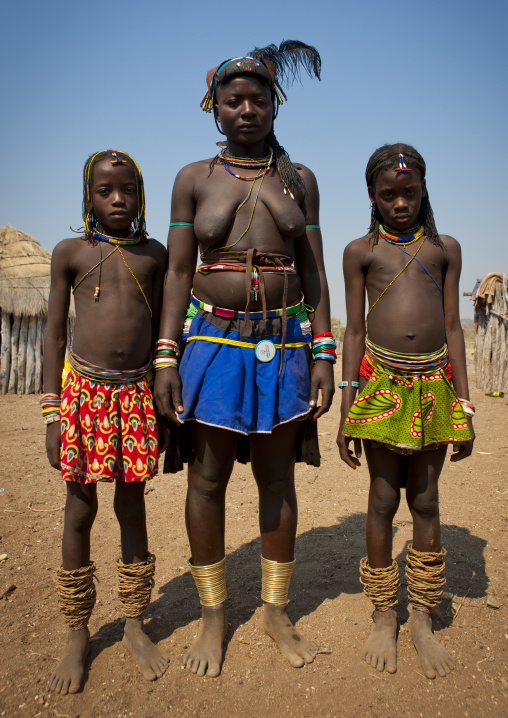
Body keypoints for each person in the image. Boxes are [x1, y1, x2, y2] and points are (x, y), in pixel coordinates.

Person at [154, 41, 335, 677]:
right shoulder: (193, 179)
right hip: (211, 343)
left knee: (276, 479)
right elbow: (178, 271)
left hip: (284, 344)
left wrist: (324, 351)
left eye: (259, 99)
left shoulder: (299, 180)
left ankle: (276, 609)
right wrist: (165, 357)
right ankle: (212, 616)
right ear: (215, 109)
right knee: (207, 479)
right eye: (234, 101)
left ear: (274, 106)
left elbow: (314, 274)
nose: (248, 109)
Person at [336, 143, 474, 679]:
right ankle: (381, 612)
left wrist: (463, 403)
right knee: (382, 496)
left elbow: (455, 328)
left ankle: (420, 615)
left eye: (409, 193)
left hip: (433, 384)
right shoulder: (360, 252)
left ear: (424, 192)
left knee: (425, 498)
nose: (400, 203)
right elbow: (353, 329)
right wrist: (347, 405)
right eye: (388, 195)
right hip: (381, 382)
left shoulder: (444, 249)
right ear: (372, 195)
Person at [42, 150, 169, 694]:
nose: (118, 200)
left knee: (131, 505)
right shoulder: (70, 253)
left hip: (136, 396)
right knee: (79, 508)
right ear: (88, 196)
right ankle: (78, 632)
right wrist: (52, 413)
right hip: (82, 397)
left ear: (141, 196)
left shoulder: (154, 255)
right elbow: (52, 334)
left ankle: (136, 622)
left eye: (129, 191)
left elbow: (169, 331)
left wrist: (168, 409)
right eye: (105, 191)